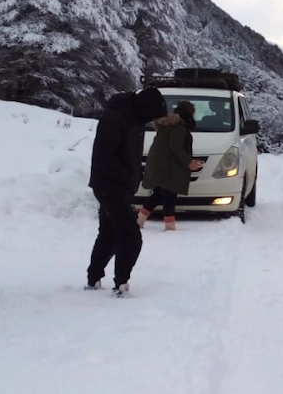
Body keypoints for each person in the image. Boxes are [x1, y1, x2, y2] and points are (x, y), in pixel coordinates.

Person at [86, 87, 166, 298]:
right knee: (131, 235)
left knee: (109, 233)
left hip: (120, 185)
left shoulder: (135, 119)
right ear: (144, 108)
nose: (151, 120)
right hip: (108, 185)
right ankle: (121, 284)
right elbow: (104, 157)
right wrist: (126, 176)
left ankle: (93, 279)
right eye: (152, 115)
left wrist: (135, 174)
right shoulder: (115, 118)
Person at [137, 101, 202, 231]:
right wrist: (189, 162)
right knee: (169, 195)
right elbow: (175, 146)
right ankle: (169, 225)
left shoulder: (169, 126)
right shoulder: (179, 128)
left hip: (162, 164)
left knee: (159, 194)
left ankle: (140, 219)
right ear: (188, 114)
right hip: (169, 167)